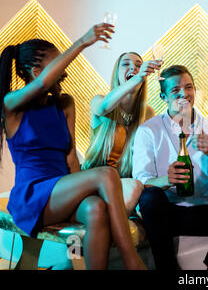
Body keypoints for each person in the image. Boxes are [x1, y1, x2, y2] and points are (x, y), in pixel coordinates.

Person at [0, 23, 146, 270]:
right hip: (34, 195)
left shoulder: (64, 103)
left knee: (96, 208)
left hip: (62, 192)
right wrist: (82, 42)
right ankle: (133, 262)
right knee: (107, 173)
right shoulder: (11, 105)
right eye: (58, 65)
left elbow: (71, 158)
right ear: (37, 72)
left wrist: (82, 191)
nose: (65, 72)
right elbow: (40, 86)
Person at [133, 65, 208, 270]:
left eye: (188, 87)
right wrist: (166, 180)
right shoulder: (148, 130)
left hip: (206, 211)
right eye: (175, 90)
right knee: (149, 197)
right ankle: (167, 267)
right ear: (163, 96)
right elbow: (141, 181)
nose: (184, 94)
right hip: (168, 214)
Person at [82, 51, 159, 216]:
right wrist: (137, 78)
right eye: (126, 64)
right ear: (116, 73)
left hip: (124, 186)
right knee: (135, 186)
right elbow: (103, 108)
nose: (134, 67)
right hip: (94, 181)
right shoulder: (99, 101)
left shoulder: (148, 113)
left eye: (139, 65)